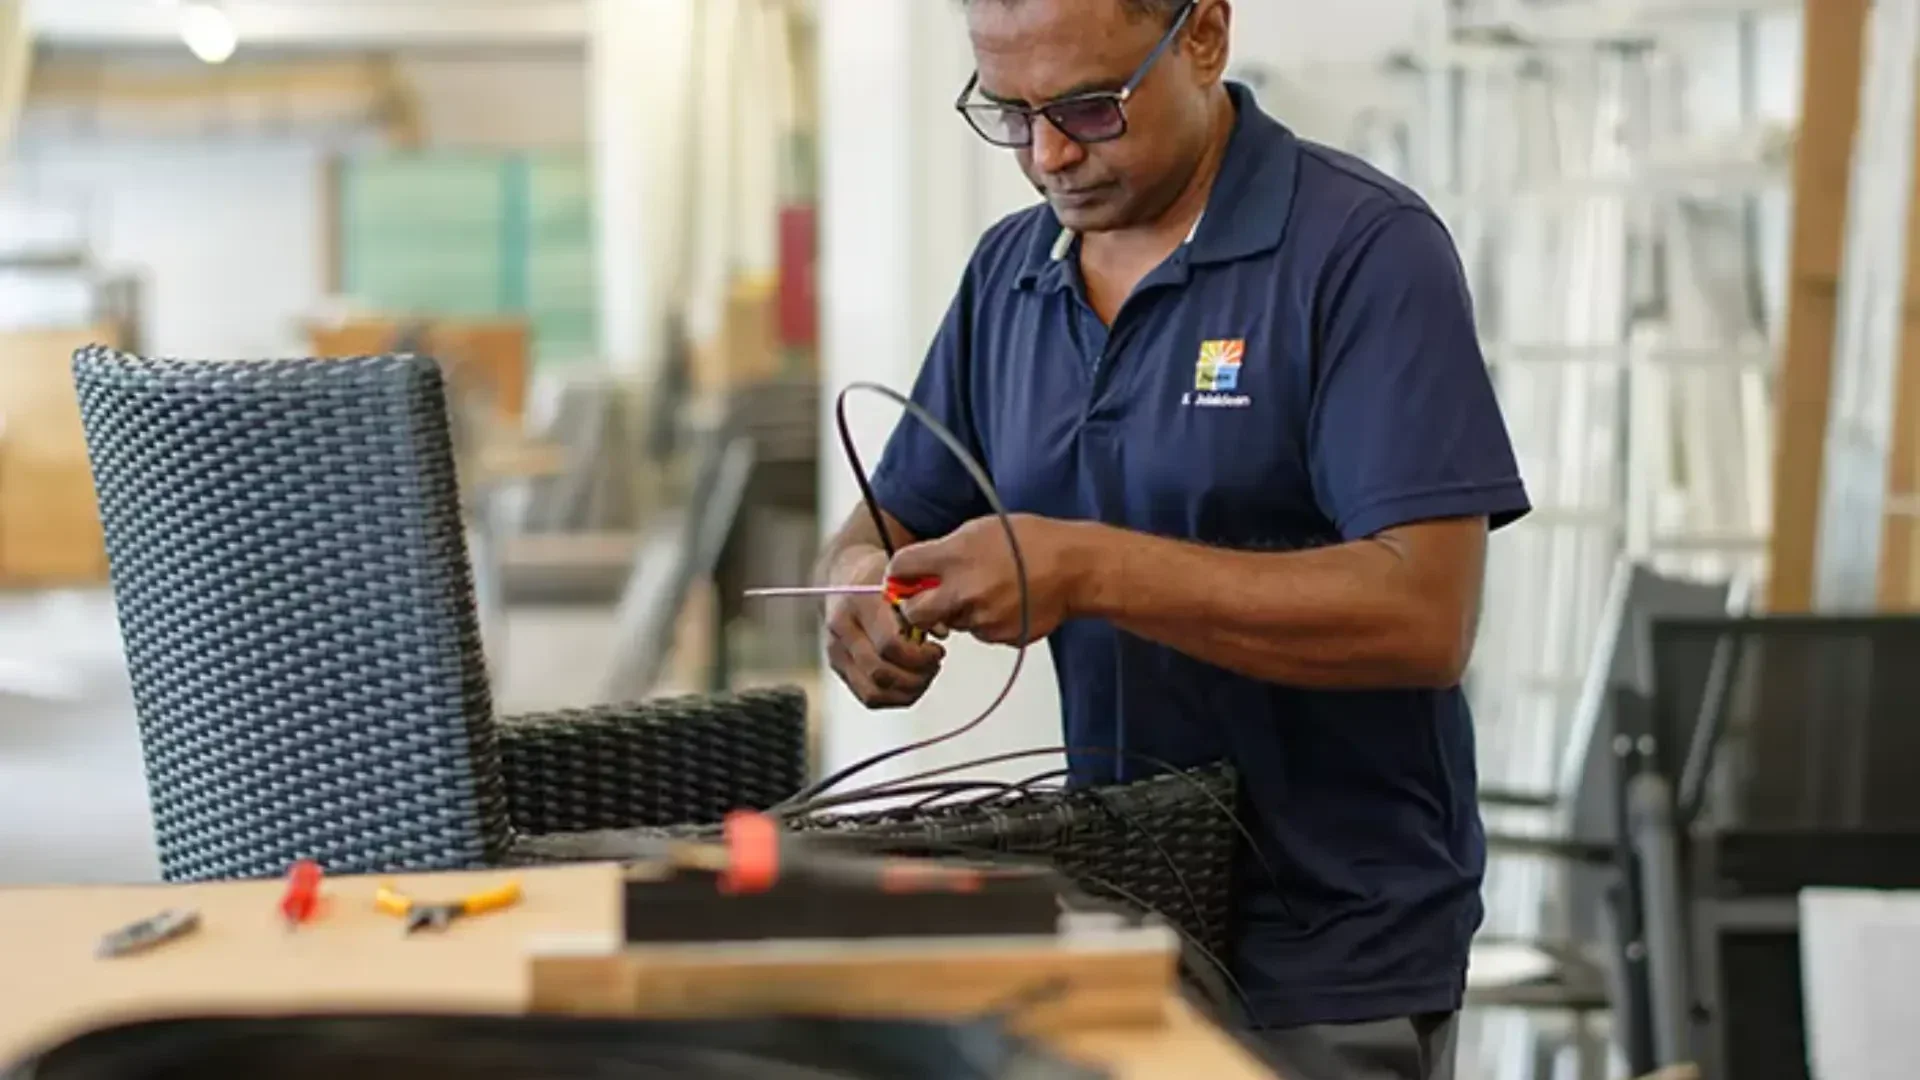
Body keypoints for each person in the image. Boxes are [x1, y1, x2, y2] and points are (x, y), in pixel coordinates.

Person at [813, 1, 1531, 1077]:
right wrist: (855, 587)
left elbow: (1420, 615)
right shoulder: (1012, 276)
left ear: (1203, 37)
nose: (1048, 154)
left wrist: (1090, 568)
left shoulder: (1362, 253)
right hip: (1116, 924)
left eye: (1088, 109)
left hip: (1333, 946)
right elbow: (888, 513)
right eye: (1008, 114)